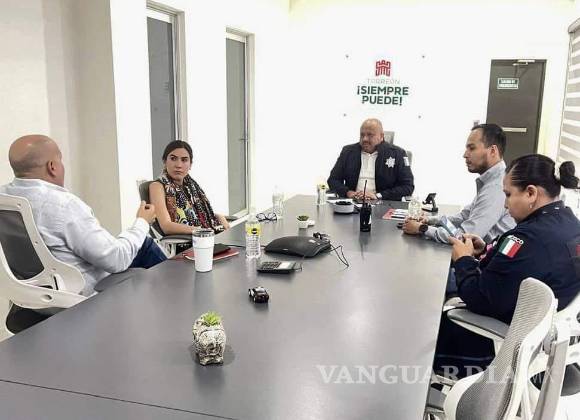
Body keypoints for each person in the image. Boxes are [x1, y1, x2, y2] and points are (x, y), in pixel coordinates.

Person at [434, 154, 580, 376]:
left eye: (509, 194)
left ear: (531, 193)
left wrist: (463, 260)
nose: (505, 203)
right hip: (544, 336)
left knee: (433, 311)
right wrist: (486, 250)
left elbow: (479, 298)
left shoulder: (528, 238)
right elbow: (522, 265)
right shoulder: (570, 224)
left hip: (506, 342)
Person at [0, 135, 167, 296]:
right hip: (83, 293)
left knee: (135, 244)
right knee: (144, 244)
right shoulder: (64, 205)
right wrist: (142, 222)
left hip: (33, 293)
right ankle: (175, 299)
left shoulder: (4, 197)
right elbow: (117, 260)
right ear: (52, 166)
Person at [403, 124, 515, 244]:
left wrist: (422, 229)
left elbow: (465, 237)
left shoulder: (496, 187)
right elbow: (464, 216)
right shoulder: (492, 180)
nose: (465, 154)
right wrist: (430, 220)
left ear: (492, 151)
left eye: (472, 148)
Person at [149, 141, 230, 235]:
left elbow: (196, 215)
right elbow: (166, 226)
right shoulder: (157, 186)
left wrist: (219, 217)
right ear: (164, 161)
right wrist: (203, 232)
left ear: (190, 164)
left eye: (184, 160)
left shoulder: (190, 186)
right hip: (188, 240)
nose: (178, 165)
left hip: (204, 236)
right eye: (173, 159)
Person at [327, 118, 414, 200]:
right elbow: (333, 180)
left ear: (381, 136)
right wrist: (348, 192)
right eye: (362, 135)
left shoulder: (397, 153)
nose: (364, 139)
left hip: (383, 203)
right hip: (353, 202)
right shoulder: (348, 152)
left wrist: (378, 195)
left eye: (370, 135)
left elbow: (408, 187)